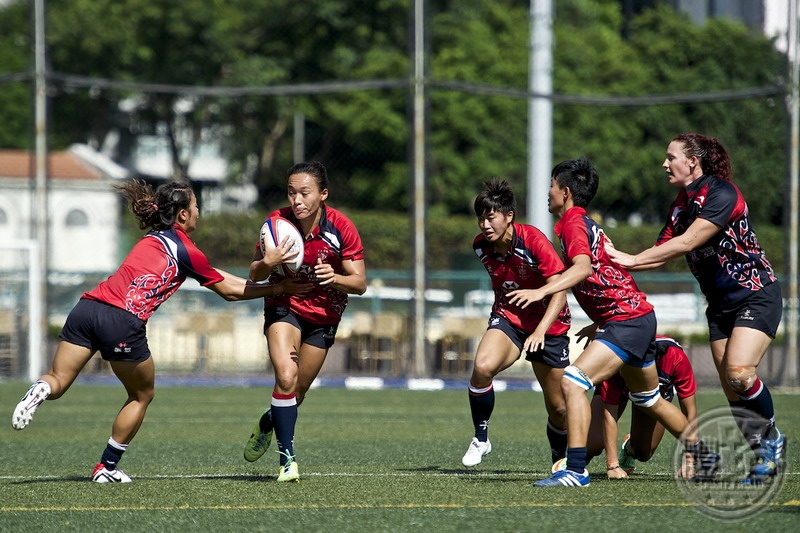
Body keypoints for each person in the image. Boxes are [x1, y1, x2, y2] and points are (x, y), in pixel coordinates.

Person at [10, 179, 310, 483]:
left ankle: (40, 389)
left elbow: (220, 276)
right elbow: (230, 292)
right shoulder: (187, 250)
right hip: (122, 321)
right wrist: (278, 286)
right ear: (181, 214)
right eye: (195, 206)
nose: (198, 212)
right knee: (141, 394)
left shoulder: (153, 238)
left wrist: (272, 281)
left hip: (86, 309)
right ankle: (106, 467)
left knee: (58, 380)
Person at [508, 158, 717, 487]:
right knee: (649, 399)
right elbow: (605, 272)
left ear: (565, 192)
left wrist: (542, 291)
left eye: (550, 186)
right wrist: (601, 320)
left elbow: (582, 269)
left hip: (627, 321)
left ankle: (575, 470)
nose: (547, 193)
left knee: (574, 381)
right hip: (637, 316)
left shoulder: (573, 223)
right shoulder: (582, 222)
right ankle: (705, 454)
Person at [605, 133, 785, 484]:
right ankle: (763, 455)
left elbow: (687, 241)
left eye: (670, 156)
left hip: (756, 295)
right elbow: (662, 250)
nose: (664, 163)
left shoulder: (721, 192)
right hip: (720, 308)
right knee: (734, 391)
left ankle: (772, 441)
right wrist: (609, 258)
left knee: (739, 372)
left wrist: (629, 258)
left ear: (693, 161)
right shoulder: (680, 204)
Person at [243, 161, 367, 482]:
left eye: (304, 193)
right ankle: (287, 461)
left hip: (324, 316)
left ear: (323, 194)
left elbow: (360, 283)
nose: (296, 200)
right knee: (286, 376)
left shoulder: (341, 227)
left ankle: (269, 421)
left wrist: (336, 278)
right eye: (291, 193)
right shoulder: (276, 223)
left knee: (295, 394)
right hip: (284, 306)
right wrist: (267, 262)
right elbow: (254, 273)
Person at [461, 178, 572, 468]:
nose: (485, 225)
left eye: (491, 217)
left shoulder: (534, 240)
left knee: (559, 408)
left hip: (549, 326)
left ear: (509, 216)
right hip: (509, 318)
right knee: (482, 367)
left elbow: (560, 290)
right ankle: (481, 439)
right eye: (481, 218)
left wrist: (539, 331)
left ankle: (559, 461)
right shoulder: (480, 247)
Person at [581, 335, 699, 479]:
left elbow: (689, 411)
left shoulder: (676, 359)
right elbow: (609, 414)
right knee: (593, 443)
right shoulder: (616, 363)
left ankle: (630, 449)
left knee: (643, 453)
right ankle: (574, 463)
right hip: (620, 386)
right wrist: (613, 465)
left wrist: (689, 460)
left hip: (653, 398)